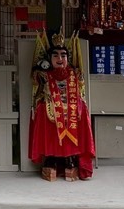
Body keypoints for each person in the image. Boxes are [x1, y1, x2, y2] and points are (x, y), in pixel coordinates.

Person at [29, 39, 96, 182]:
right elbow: (37, 91)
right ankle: (51, 157)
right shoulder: (44, 74)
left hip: (71, 107)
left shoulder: (75, 73)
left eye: (63, 55)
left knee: (79, 112)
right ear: (49, 58)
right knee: (43, 111)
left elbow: (81, 92)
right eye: (55, 55)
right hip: (51, 106)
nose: (60, 59)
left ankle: (70, 157)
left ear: (68, 58)